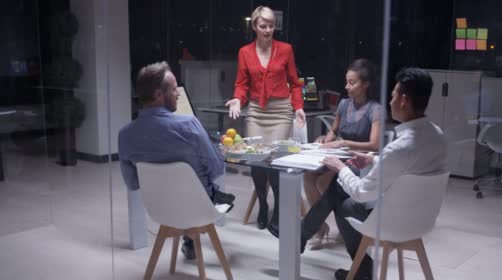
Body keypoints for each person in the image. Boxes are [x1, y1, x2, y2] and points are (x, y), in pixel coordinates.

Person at [297, 68, 447, 280]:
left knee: (343, 199)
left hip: (394, 220)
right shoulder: (436, 134)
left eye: (394, 95)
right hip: (421, 217)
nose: (391, 100)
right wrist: (371, 160)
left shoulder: (399, 147)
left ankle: (360, 268)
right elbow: (411, 164)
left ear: (404, 101)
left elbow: (361, 192)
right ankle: (303, 234)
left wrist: (339, 167)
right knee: (340, 191)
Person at [119, 61, 235, 260]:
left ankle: (189, 240)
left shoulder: (125, 135)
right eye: (174, 90)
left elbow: (132, 183)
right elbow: (217, 169)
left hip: (160, 210)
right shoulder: (188, 124)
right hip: (198, 209)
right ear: (158, 94)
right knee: (208, 181)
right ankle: (194, 232)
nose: (178, 94)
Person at [225, 6, 305, 234]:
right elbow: (241, 84)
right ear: (254, 27)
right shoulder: (244, 52)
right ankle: (262, 204)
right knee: (256, 163)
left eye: (271, 25)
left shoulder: (286, 49)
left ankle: (279, 209)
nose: (268, 30)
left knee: (274, 162)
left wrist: (298, 107)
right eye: (263, 26)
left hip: (280, 111)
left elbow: (295, 82)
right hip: (256, 112)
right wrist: (237, 100)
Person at [303, 59, 385, 248]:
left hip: (361, 163)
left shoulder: (376, 110)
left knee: (323, 182)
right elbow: (333, 130)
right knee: (308, 176)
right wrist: (326, 138)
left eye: (352, 82)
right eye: (347, 81)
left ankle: (339, 220)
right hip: (340, 158)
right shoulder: (343, 104)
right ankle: (321, 227)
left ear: (366, 84)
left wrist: (344, 142)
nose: (346, 86)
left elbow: (374, 145)